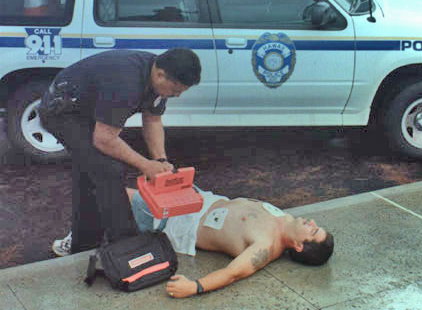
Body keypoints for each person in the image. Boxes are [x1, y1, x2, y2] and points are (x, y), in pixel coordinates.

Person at [38, 48, 201, 255]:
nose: (176, 95)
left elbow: (153, 119)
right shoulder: (125, 83)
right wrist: (145, 165)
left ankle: (82, 245)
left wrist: (160, 160)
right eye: (176, 90)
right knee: (108, 169)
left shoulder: (158, 77)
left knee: (91, 169)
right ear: (160, 75)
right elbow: (104, 139)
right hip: (63, 113)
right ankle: (126, 248)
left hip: (89, 109)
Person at [126, 186, 334, 298]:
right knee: (148, 178)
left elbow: (232, 273)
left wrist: (194, 287)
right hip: (201, 198)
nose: (312, 222)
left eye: (313, 230)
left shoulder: (265, 246)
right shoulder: (287, 220)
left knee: (124, 195)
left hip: (179, 221)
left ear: (299, 246)